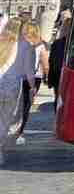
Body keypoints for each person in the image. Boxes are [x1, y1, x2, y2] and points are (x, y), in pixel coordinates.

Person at [0, 19, 37, 166]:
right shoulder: (25, 46)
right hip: (13, 88)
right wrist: (33, 89)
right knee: (6, 121)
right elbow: (29, 72)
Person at [15, 22, 49, 144]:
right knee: (26, 106)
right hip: (33, 78)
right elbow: (45, 64)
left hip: (18, 77)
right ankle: (19, 133)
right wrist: (46, 76)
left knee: (15, 105)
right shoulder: (40, 45)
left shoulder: (18, 43)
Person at [47, 10, 71, 107]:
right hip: (63, 78)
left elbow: (52, 62)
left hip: (58, 77)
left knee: (58, 101)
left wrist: (50, 80)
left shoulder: (57, 43)